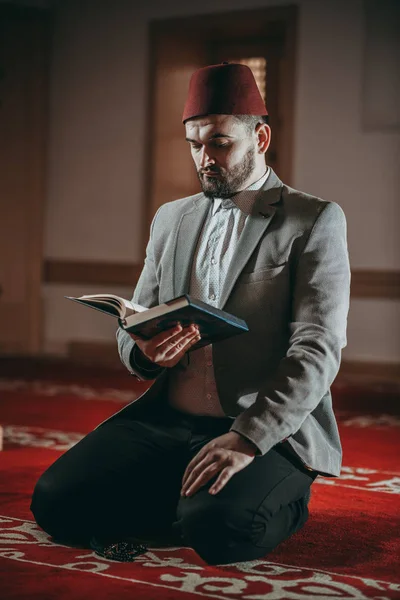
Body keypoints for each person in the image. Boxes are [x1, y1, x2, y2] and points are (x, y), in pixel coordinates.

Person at [30, 62, 351, 565]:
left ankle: (278, 494)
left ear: (260, 138)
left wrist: (248, 439)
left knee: (221, 532)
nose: (205, 158)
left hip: (259, 424)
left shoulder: (311, 220)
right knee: (54, 502)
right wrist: (142, 348)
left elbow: (317, 349)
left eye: (220, 143)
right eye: (195, 145)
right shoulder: (170, 218)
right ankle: (188, 495)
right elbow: (132, 320)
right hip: (168, 419)